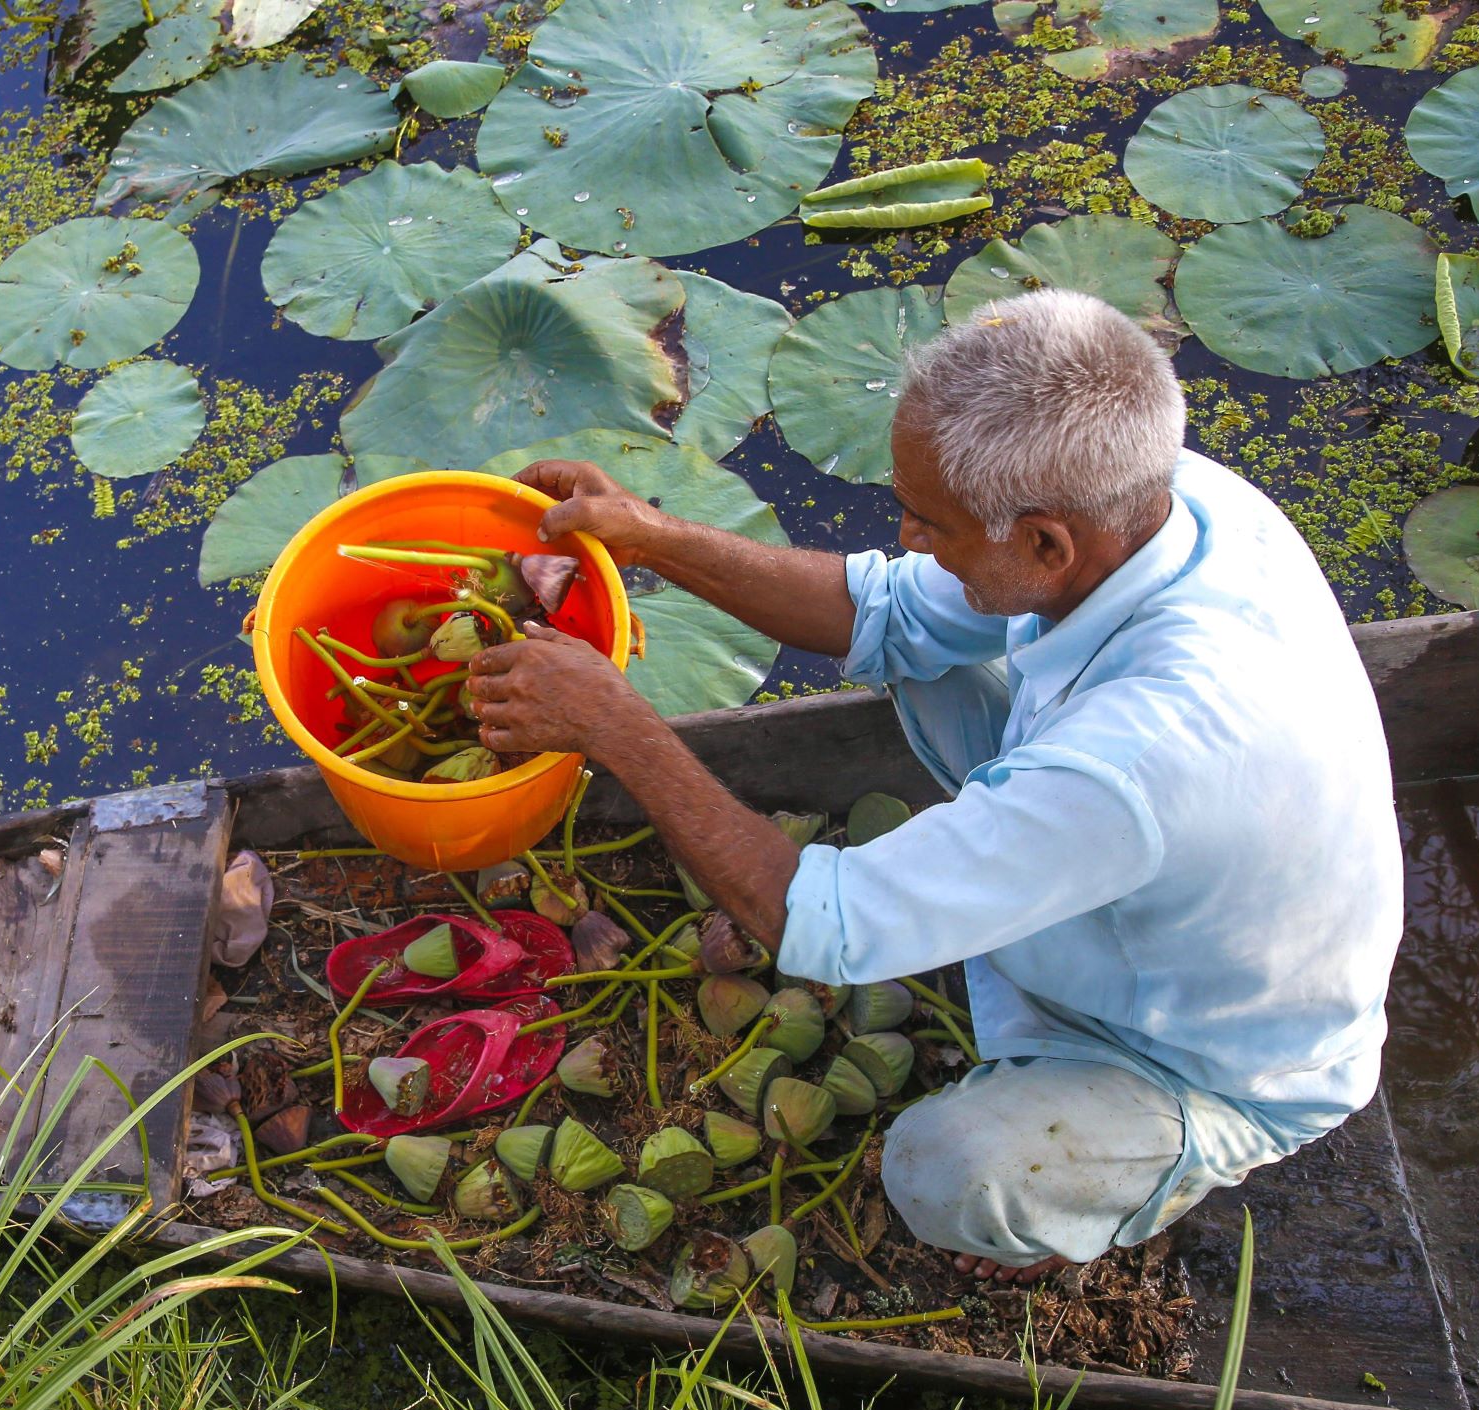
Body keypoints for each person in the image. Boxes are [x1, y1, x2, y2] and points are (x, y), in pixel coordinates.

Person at [465, 289, 1403, 1285]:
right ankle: (984, 895)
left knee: (944, 1170)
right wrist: (651, 535)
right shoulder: (1171, 501)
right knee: (933, 646)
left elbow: (827, 925)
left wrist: (619, 728)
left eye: (929, 522)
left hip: (1207, 1055)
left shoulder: (1137, 758)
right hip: (1159, 870)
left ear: (1045, 544)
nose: (907, 539)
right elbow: (879, 609)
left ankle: (1154, 1169)